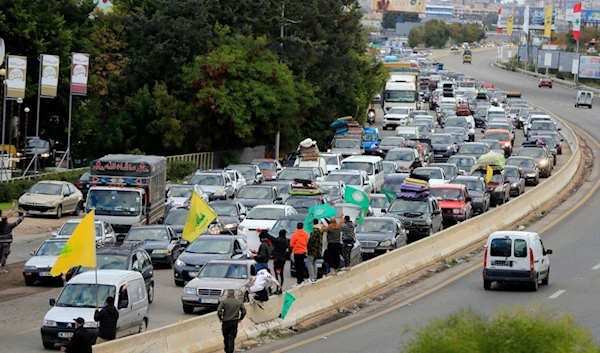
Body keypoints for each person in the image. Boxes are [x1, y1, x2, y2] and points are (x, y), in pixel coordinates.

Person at [265, 229, 289, 294]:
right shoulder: (286, 241)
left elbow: (271, 238)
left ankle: (279, 289)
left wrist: (266, 234)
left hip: (277, 260)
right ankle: (280, 288)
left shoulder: (278, 240)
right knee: (281, 274)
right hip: (283, 259)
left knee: (277, 274)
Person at [289, 222, 309, 287]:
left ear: (297, 227)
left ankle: (299, 281)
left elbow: (291, 244)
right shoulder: (305, 234)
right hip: (303, 251)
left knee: (298, 267)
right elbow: (307, 242)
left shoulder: (295, 235)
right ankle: (302, 280)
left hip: (297, 252)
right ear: (302, 227)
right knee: (302, 266)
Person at [306, 219, 323, 283]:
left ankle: (311, 277)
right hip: (318, 250)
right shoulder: (320, 230)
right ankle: (315, 277)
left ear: (313, 223)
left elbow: (311, 240)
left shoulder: (314, 231)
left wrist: (308, 247)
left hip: (313, 250)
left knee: (309, 263)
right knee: (314, 263)